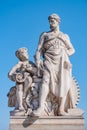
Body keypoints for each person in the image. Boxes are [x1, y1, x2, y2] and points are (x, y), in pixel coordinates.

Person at [34, 14, 75, 116]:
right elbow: (39, 49)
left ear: (58, 22)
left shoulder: (64, 36)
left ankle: (61, 109)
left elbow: (72, 49)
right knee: (46, 79)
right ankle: (40, 107)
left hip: (62, 61)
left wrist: (67, 55)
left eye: (53, 21)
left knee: (64, 83)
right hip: (48, 59)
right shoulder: (45, 35)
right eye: (50, 21)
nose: (51, 23)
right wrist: (38, 60)